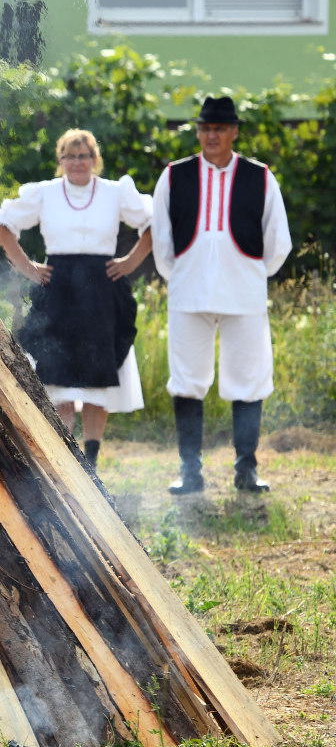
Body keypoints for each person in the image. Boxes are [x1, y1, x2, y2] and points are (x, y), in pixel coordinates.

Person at [151, 96, 291, 495]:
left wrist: (247, 274)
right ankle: (190, 472)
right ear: (198, 132)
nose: (211, 135)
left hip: (243, 296)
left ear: (233, 132)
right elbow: (161, 238)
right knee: (187, 380)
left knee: (249, 379)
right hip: (188, 293)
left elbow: (278, 242)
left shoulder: (260, 176)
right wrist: (183, 276)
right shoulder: (174, 176)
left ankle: (246, 469)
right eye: (205, 129)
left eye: (219, 129)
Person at [0, 130, 153, 471]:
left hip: (102, 289)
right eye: (70, 156)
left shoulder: (113, 192)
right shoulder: (46, 193)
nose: (77, 162)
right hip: (60, 288)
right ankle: (67, 459)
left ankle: (91, 461)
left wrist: (128, 263)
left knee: (99, 379)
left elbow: (152, 224)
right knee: (61, 377)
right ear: (60, 160)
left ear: (94, 159)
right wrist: (28, 267)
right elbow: (3, 225)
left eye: (84, 156)